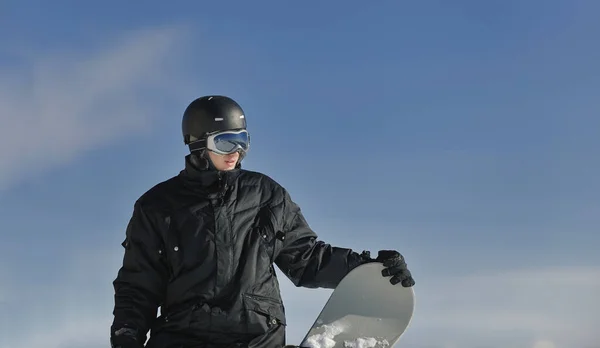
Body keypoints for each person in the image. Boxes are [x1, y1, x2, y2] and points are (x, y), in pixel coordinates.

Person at [109, 95, 415, 348]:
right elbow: (138, 285)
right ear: (198, 145)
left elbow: (307, 259)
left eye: (243, 141)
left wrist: (367, 268)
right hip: (185, 338)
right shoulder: (157, 206)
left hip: (256, 337)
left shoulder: (266, 195)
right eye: (226, 143)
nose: (236, 152)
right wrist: (127, 334)